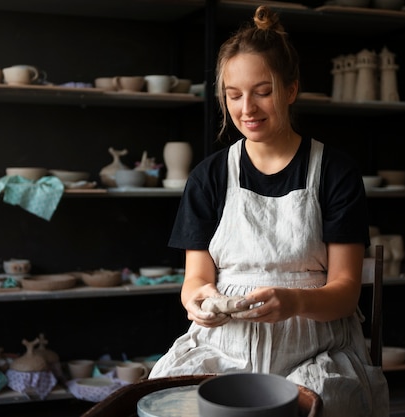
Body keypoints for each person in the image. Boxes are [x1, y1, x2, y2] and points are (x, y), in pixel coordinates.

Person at [148, 4, 389, 416]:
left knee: (316, 407)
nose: (248, 109)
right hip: (224, 348)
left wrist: (294, 302)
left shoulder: (334, 171)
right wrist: (199, 301)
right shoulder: (209, 177)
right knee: (162, 402)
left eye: (263, 91)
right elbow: (195, 280)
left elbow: (346, 293)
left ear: (290, 89)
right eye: (234, 95)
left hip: (316, 349)